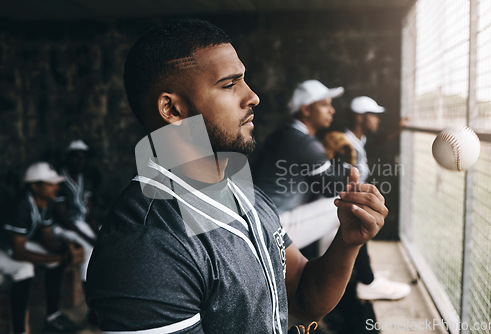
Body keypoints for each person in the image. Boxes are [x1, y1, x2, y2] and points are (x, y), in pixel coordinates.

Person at [86, 18, 388, 334]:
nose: (253, 97)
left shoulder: (244, 190)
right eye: (230, 84)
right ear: (172, 110)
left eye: (244, 80)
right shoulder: (146, 245)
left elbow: (303, 297)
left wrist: (347, 242)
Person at [323, 96, 410, 301]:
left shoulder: (357, 139)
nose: (378, 120)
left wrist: (397, 129)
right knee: (360, 224)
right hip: (336, 201)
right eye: (374, 116)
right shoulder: (344, 144)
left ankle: (367, 277)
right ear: (361, 118)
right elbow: (336, 182)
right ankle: (368, 282)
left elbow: (376, 140)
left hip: (347, 199)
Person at [253, 79, 356, 253]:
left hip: (259, 220)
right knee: (348, 205)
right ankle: (329, 276)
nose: (332, 110)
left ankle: (321, 268)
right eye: (324, 105)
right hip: (274, 229)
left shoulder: (285, 132)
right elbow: (331, 188)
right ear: (306, 110)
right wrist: (346, 162)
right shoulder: (306, 143)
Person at [0, 162, 84, 334]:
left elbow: (47, 238)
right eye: (51, 183)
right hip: (4, 247)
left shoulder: (46, 202)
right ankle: (20, 331)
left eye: (56, 183)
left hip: (17, 244)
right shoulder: (21, 205)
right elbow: (19, 252)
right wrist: (58, 258)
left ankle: (52, 317)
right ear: (35, 186)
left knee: (54, 262)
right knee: (25, 269)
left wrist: (65, 250)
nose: (56, 186)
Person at [53, 140, 98, 287]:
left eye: (83, 158)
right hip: (64, 227)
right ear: (68, 158)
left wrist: (98, 235)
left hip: (81, 223)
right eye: (76, 157)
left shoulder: (84, 178)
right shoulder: (58, 180)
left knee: (109, 236)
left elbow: (90, 213)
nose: (80, 161)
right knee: (89, 250)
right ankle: (88, 292)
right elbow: (64, 219)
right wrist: (90, 239)